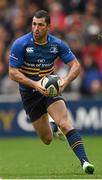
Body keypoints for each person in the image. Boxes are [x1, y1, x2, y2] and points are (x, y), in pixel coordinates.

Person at [9, 10, 95, 174]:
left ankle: (85, 162)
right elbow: (13, 73)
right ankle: (52, 127)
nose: (36, 28)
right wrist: (35, 84)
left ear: (48, 26)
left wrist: (65, 82)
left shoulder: (57, 45)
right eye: (34, 24)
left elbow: (76, 66)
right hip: (29, 93)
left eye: (40, 25)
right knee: (47, 139)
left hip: (50, 90)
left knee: (65, 123)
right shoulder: (21, 44)